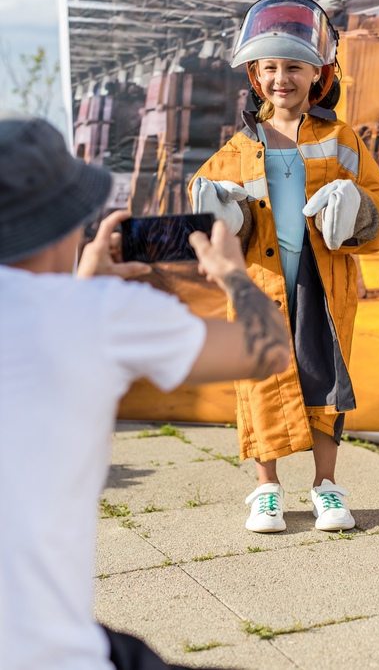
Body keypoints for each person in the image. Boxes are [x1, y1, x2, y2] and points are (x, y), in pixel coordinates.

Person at [0, 111, 290, 670]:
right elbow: (267, 348)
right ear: (67, 223)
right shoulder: (95, 315)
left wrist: (81, 285)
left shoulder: (82, 310)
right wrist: (233, 272)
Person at [190, 0, 379, 535]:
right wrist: (216, 207)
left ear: (318, 73)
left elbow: (376, 210)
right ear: (256, 76)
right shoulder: (236, 148)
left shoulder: (340, 139)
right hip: (261, 284)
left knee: (325, 381)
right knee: (260, 381)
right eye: (271, 67)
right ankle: (266, 490)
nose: (283, 78)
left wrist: (357, 209)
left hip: (322, 286)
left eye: (295, 67)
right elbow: (207, 199)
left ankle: (327, 488)